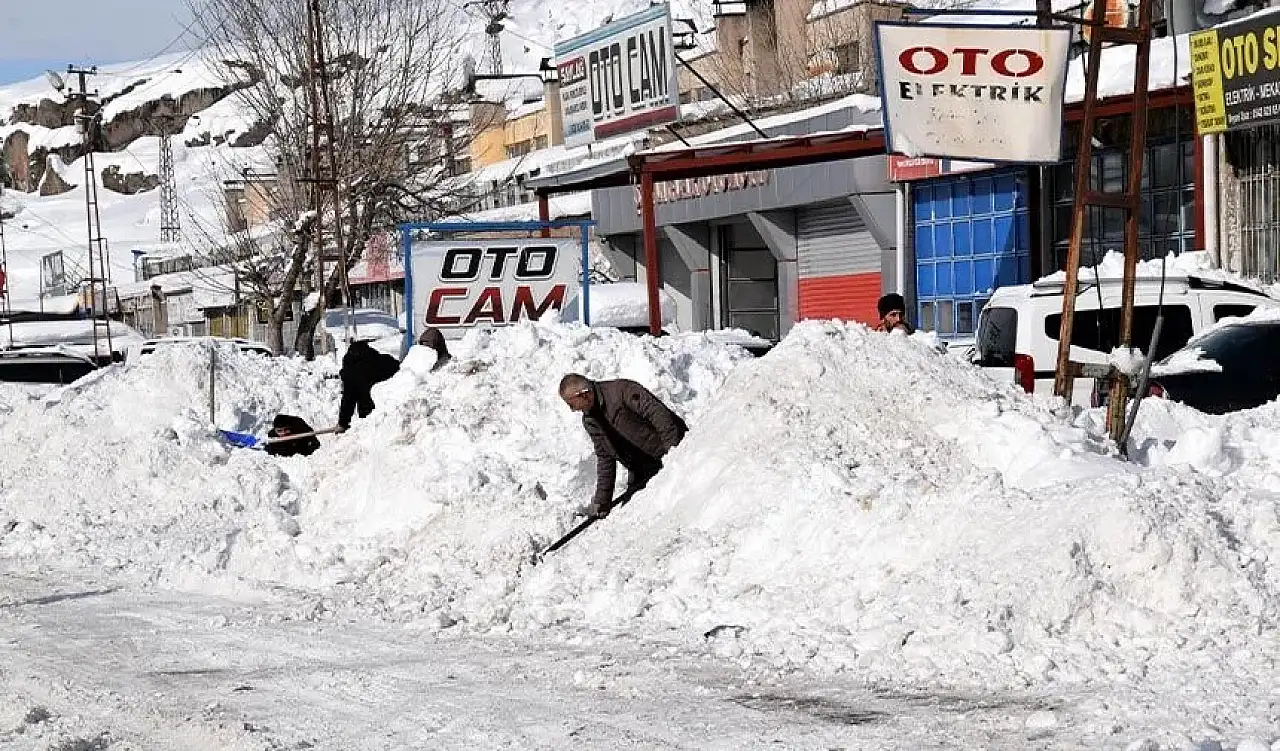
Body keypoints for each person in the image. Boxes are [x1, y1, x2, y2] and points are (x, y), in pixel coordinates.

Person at [559, 373, 688, 519]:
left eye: (571, 404)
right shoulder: (590, 421)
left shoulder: (621, 391)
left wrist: (676, 453)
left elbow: (659, 416)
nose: (572, 409)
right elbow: (605, 457)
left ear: (583, 395)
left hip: (670, 454)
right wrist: (602, 500)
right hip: (642, 471)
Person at [336, 340, 401, 432]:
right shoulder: (385, 360)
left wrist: (343, 423)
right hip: (393, 411)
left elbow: (348, 399)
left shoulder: (351, 372)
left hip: (368, 414)